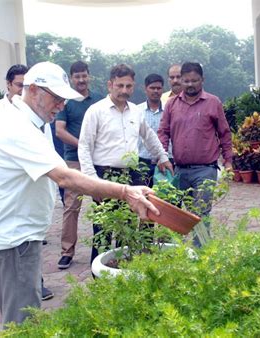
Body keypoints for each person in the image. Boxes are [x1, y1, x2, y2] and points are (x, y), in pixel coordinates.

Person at [0, 61, 160, 325]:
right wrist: (125, 192)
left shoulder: (32, 123)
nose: (62, 105)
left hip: (20, 240)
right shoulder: (16, 126)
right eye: (56, 98)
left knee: (25, 319)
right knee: (23, 325)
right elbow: (64, 176)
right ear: (33, 90)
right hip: (14, 242)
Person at [0, 64, 54, 301]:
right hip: (6, 197)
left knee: (28, 252)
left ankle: (36, 284)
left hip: (28, 198)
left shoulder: (39, 115)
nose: (23, 90)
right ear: (8, 85)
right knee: (17, 259)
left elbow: (46, 152)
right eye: (20, 85)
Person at [78, 63, 173, 264]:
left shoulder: (136, 112)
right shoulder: (96, 111)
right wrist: (93, 183)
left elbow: (149, 136)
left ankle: (123, 276)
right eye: (119, 86)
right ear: (109, 85)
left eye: (128, 86)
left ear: (133, 86)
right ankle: (100, 281)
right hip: (103, 176)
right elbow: (84, 147)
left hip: (131, 176)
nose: (124, 91)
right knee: (103, 231)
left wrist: (163, 157)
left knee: (127, 228)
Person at [158, 62, 233, 245]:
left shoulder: (213, 103)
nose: (190, 84)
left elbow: (224, 133)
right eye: (186, 81)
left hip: (205, 170)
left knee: (201, 213)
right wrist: (162, 156)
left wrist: (229, 162)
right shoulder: (172, 105)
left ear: (202, 80)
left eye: (194, 81)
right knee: (179, 214)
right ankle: (178, 252)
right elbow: (163, 132)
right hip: (179, 170)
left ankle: (201, 256)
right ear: (180, 80)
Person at [55, 61, 103, 270]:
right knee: (71, 207)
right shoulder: (65, 103)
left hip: (98, 160)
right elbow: (60, 131)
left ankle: (101, 248)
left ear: (89, 76)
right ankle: (67, 251)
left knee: (103, 204)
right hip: (74, 160)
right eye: (77, 77)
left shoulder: (99, 100)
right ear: (71, 79)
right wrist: (83, 145)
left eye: (84, 76)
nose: (81, 80)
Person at [137, 73, 173, 187]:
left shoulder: (170, 110)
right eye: (152, 88)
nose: (156, 91)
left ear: (163, 89)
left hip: (167, 161)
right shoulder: (136, 111)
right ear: (145, 89)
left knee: (168, 199)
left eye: (159, 88)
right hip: (142, 163)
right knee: (143, 200)